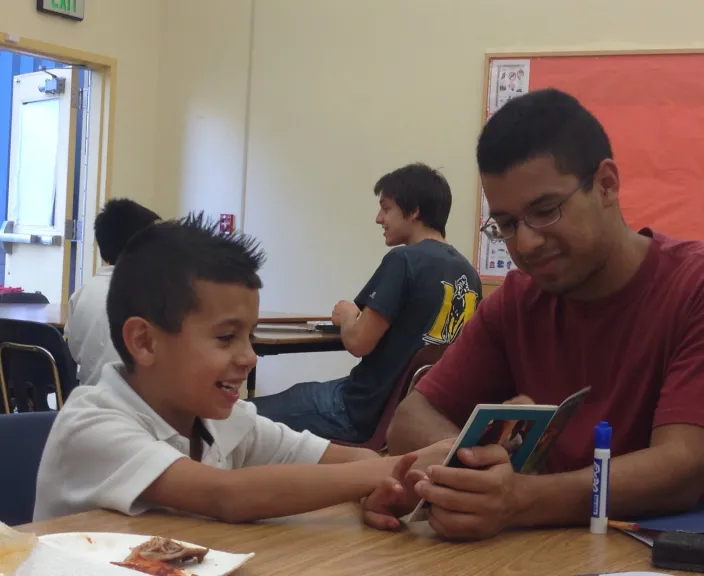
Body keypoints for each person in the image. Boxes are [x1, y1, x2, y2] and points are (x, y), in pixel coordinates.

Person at [384, 88, 704, 539]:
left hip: (694, 557)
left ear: (606, 184)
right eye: (506, 224)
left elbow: (684, 466)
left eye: (545, 212)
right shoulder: (518, 301)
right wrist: (470, 469)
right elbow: (412, 417)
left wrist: (519, 498)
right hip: (552, 549)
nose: (524, 243)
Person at [34, 213, 444, 524]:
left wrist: (384, 485)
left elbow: (343, 460)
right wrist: (399, 465)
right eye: (226, 337)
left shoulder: (227, 422)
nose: (249, 357)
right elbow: (225, 496)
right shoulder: (92, 424)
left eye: (249, 335)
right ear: (144, 341)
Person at [253, 163, 482, 443]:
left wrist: (348, 314)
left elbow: (359, 343)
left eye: (386, 208)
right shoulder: (469, 274)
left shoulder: (404, 260)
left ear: (414, 211)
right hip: (416, 417)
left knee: (245, 414)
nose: (378, 218)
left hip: (359, 411)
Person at [65, 198, 160, 386]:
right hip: (135, 405)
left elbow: (75, 351)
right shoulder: (152, 295)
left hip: (89, 398)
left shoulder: (83, 293)